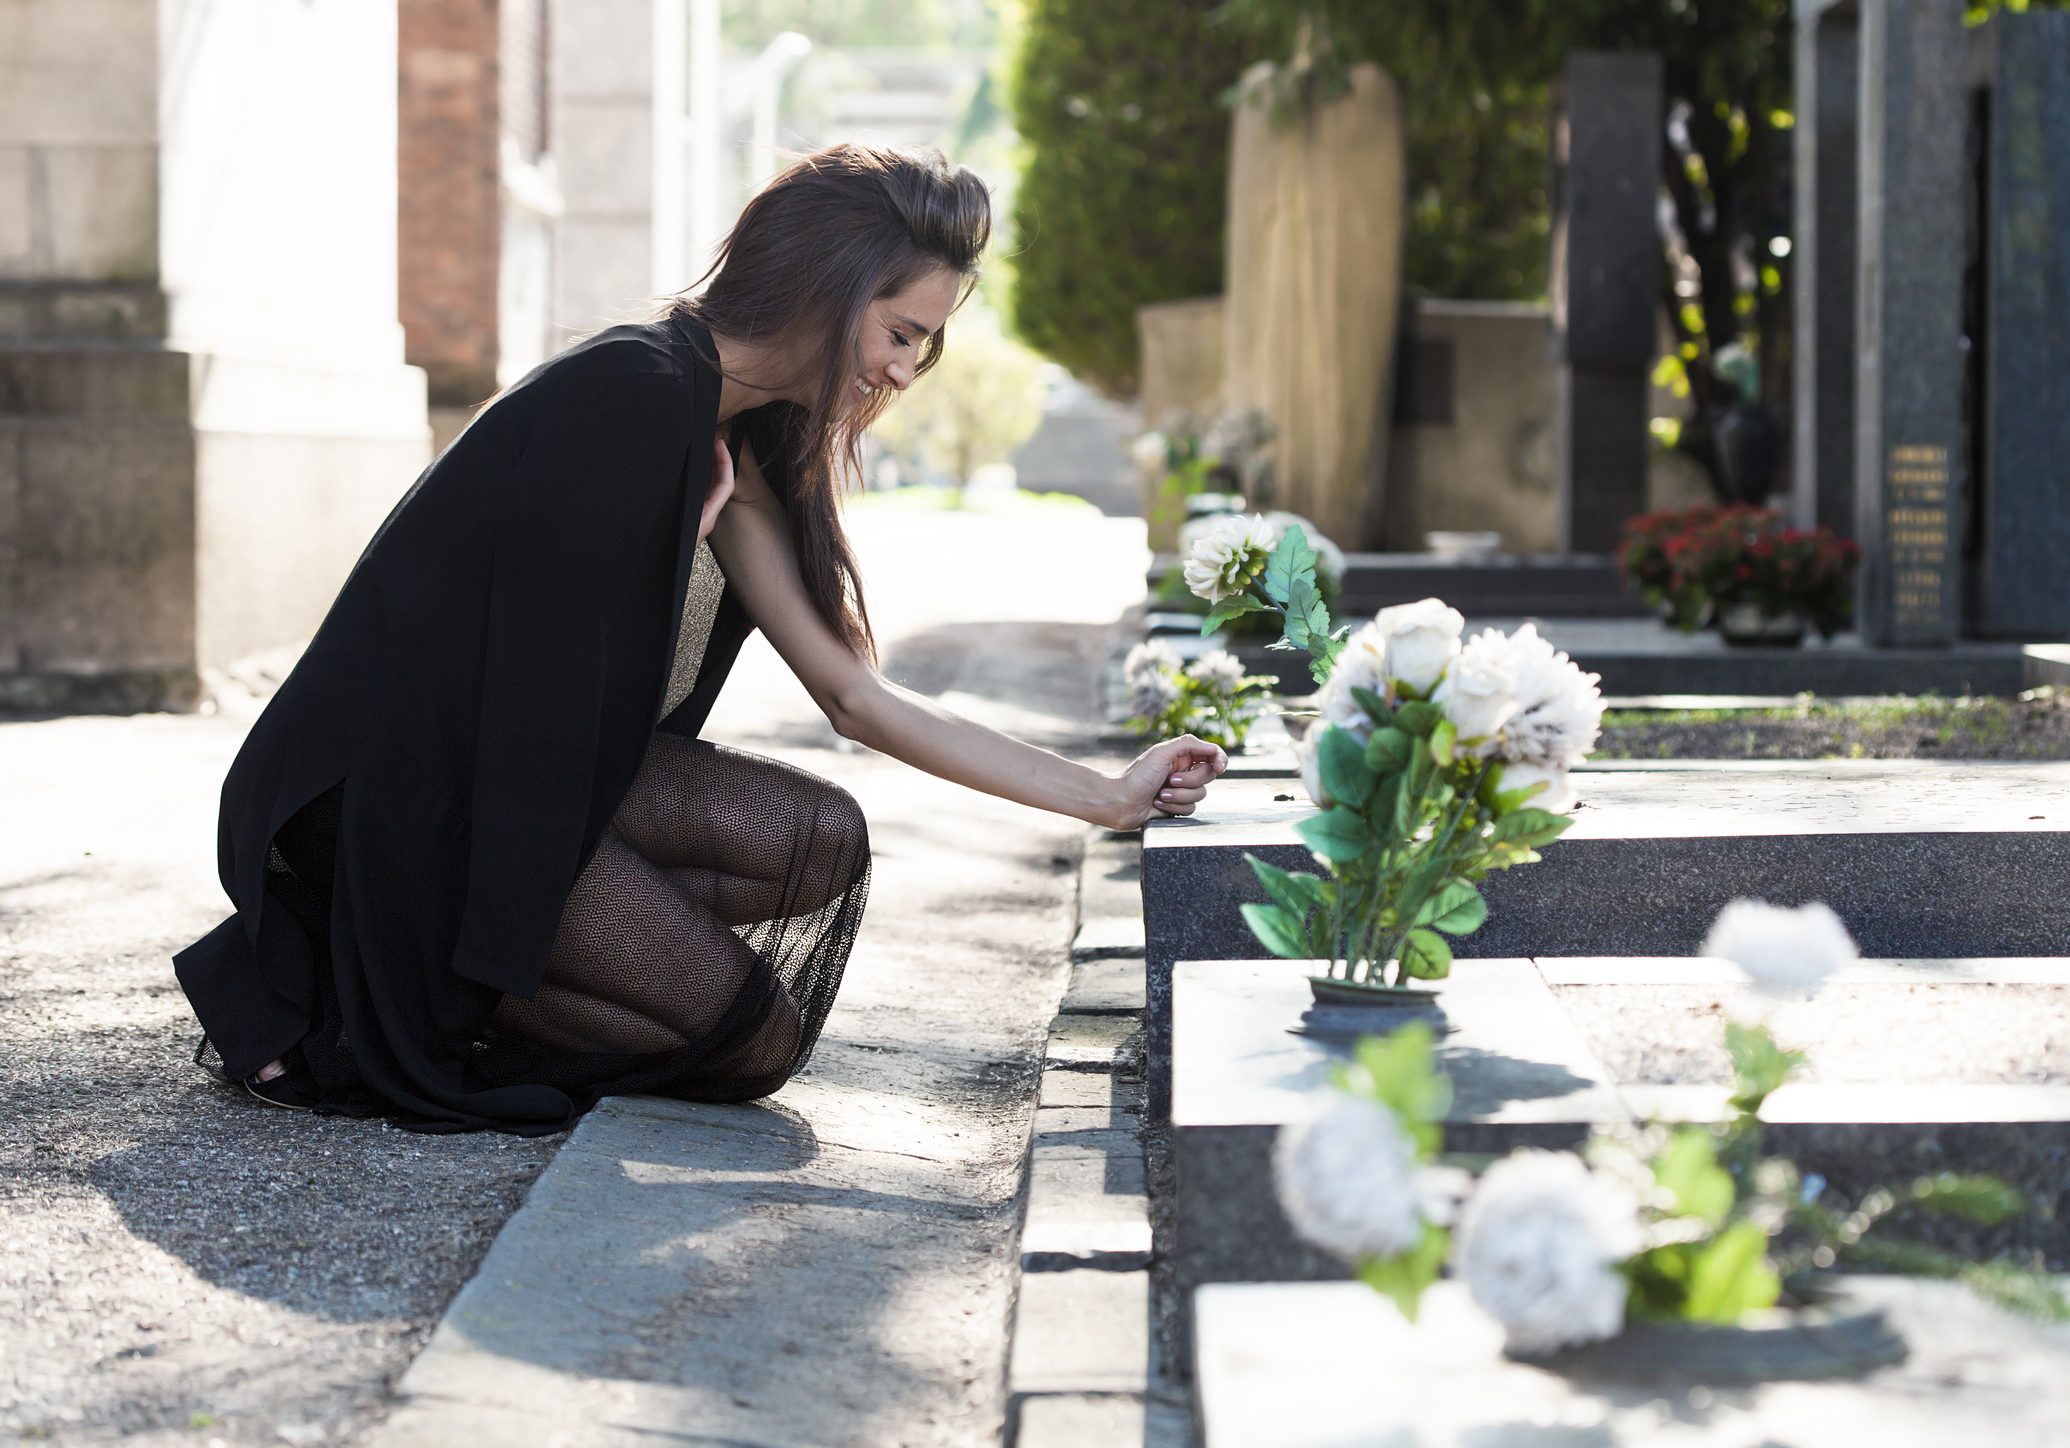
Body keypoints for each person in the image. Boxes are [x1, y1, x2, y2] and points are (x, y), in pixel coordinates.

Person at [173, 144, 1226, 1136]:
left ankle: (424, 969)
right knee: (755, 1034)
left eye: (924, 345)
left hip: (529, 775)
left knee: (821, 838)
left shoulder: (742, 432)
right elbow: (532, 706)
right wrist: (667, 529)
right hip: (402, 799)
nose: (906, 372)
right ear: (827, 287)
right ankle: (352, 976)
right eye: (900, 332)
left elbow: (854, 697)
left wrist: (1104, 794)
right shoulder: (628, 392)